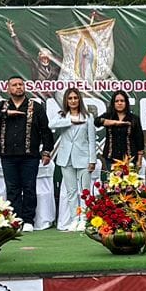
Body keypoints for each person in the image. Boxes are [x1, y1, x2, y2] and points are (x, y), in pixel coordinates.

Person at [0, 76, 54, 227]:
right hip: (8, 155)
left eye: (20, 84)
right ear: (8, 89)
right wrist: (5, 113)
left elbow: (45, 131)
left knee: (29, 187)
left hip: (30, 155)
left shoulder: (35, 107)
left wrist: (47, 151)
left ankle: (28, 220)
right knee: (12, 188)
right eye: (14, 85)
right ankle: (16, 220)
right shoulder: (2, 106)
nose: (18, 87)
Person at [52, 87, 100, 231]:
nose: (73, 101)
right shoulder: (62, 116)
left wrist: (92, 160)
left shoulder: (88, 117)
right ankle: (74, 218)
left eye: (75, 98)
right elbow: (51, 124)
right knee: (71, 191)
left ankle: (85, 218)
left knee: (84, 190)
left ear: (79, 99)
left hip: (84, 157)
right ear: (66, 100)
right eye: (70, 98)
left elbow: (91, 140)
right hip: (66, 158)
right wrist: (70, 121)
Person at [96, 90, 145, 169]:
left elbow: (139, 139)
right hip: (111, 157)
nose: (119, 103)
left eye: (122, 101)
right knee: (113, 181)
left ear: (126, 102)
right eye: (117, 101)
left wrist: (139, 160)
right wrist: (115, 123)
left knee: (128, 181)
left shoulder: (133, 118)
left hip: (129, 158)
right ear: (113, 103)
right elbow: (97, 122)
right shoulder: (109, 116)